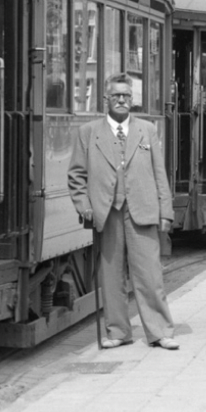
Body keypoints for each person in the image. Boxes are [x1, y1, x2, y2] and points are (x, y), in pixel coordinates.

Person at [68, 73, 179, 350]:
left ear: (133, 99)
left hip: (142, 210)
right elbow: (76, 175)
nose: (121, 99)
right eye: (116, 95)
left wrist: (166, 211)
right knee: (111, 276)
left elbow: (159, 173)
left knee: (149, 276)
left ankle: (160, 332)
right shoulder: (88, 132)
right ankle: (118, 332)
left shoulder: (147, 130)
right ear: (106, 99)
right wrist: (85, 206)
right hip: (107, 213)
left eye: (126, 96)